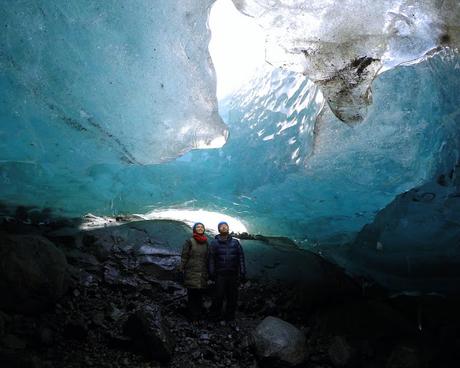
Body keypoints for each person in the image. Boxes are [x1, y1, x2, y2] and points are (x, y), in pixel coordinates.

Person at [208, 221, 246, 322]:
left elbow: (241, 257)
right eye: (221, 226)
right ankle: (215, 316)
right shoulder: (214, 243)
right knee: (218, 296)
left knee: (232, 297)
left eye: (225, 226)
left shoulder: (235, 242)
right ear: (219, 229)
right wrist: (211, 273)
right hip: (220, 275)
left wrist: (242, 271)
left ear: (228, 228)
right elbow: (211, 258)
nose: (224, 227)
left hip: (233, 275)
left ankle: (230, 317)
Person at [180, 222, 209, 321]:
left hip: (202, 273)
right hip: (191, 271)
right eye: (198, 227)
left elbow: (208, 258)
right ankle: (192, 317)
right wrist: (181, 268)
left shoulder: (206, 242)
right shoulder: (190, 241)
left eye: (202, 227)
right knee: (192, 295)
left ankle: (199, 315)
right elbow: (184, 256)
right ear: (194, 229)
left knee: (200, 296)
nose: (200, 228)